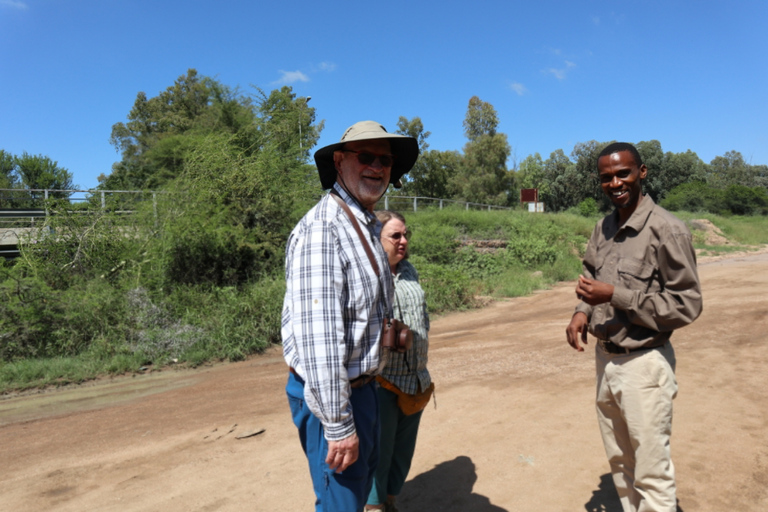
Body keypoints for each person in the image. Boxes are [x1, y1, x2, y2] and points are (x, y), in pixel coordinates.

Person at [282, 121, 419, 512]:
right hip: (335, 398)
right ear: (340, 162)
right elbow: (320, 340)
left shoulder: (361, 222)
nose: (377, 166)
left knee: (355, 498)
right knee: (340, 503)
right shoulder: (324, 230)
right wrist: (340, 427)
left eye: (385, 159)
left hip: (364, 390)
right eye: (366, 156)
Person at [565, 142, 703, 512]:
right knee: (621, 463)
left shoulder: (667, 230)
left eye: (623, 173)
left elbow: (686, 305)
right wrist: (581, 311)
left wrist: (615, 295)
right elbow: (592, 275)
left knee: (652, 473)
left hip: (645, 363)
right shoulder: (604, 226)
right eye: (606, 177)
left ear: (641, 173)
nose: (615, 183)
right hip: (605, 360)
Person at [366, 211, 433, 512]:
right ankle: (373, 506)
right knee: (379, 453)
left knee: (402, 452)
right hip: (382, 381)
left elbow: (424, 316)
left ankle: (391, 501)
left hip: (415, 379)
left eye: (405, 235)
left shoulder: (409, 271)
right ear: (377, 239)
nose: (403, 241)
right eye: (395, 236)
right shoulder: (366, 273)